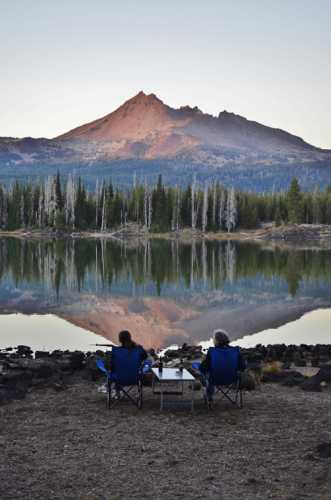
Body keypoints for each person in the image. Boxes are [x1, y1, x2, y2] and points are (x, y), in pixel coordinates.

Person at [198, 329, 246, 402]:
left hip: (215, 379)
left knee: (206, 373)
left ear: (217, 340)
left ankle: (209, 395)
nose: (213, 341)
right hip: (233, 379)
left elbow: (203, 368)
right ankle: (209, 395)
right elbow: (243, 367)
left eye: (214, 339)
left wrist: (203, 364)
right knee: (210, 373)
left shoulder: (212, 351)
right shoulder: (235, 351)